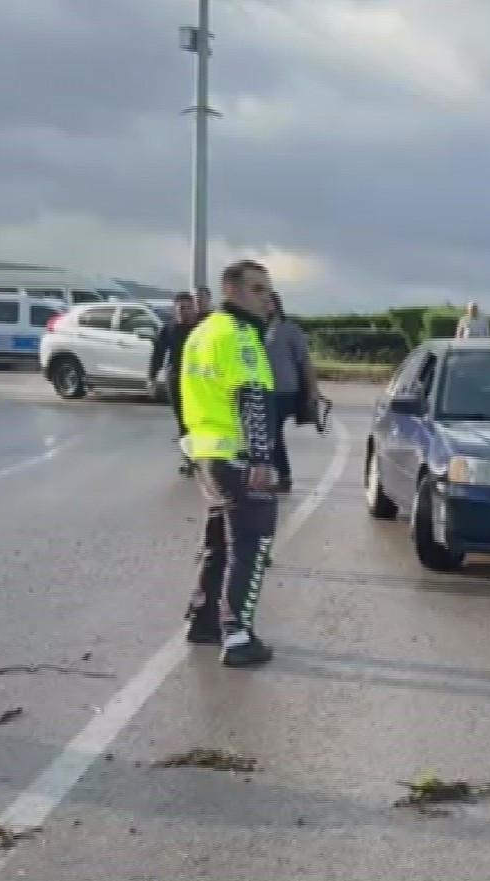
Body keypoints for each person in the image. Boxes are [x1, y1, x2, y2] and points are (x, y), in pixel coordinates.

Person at [180, 259, 279, 667]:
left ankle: (203, 619)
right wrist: (261, 458)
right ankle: (237, 634)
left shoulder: (201, 333)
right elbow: (252, 396)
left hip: (206, 452)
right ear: (232, 292)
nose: (267, 299)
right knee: (252, 544)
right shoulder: (239, 336)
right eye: (257, 290)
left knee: (219, 539)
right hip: (236, 455)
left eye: (268, 290)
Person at [265, 291, 318, 494]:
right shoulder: (255, 328)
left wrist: (312, 390)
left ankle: (283, 476)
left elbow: (305, 361)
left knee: (272, 432)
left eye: (268, 302)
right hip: (263, 389)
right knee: (266, 433)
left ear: (276, 305)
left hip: (284, 390)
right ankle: (275, 474)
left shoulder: (289, 330)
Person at [149, 291, 201, 475]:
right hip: (176, 378)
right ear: (174, 309)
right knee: (183, 422)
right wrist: (152, 378)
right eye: (181, 308)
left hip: (199, 380)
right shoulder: (168, 328)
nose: (184, 312)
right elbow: (158, 353)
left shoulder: (201, 328)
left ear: (194, 309)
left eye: (188, 308)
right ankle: (188, 459)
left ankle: (203, 457)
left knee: (198, 421)